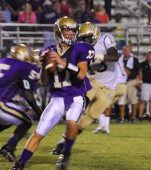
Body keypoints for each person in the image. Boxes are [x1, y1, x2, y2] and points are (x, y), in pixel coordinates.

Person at [11, 17, 94, 170]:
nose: (70, 33)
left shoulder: (82, 48)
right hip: (57, 97)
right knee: (39, 132)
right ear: (58, 32)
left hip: (76, 96)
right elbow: (43, 81)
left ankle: (65, 155)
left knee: (71, 123)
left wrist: (62, 62)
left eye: (72, 30)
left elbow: (82, 74)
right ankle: (20, 164)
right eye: (66, 30)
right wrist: (43, 65)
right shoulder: (47, 51)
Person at [51, 21, 119, 152]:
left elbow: (114, 56)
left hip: (109, 87)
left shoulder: (106, 38)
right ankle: (68, 128)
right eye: (81, 38)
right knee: (83, 101)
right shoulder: (80, 47)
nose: (84, 41)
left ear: (94, 34)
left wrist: (95, 55)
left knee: (88, 119)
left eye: (86, 38)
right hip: (93, 80)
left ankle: (64, 141)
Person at [118, 45, 141, 123]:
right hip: (122, 82)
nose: (126, 52)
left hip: (132, 81)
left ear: (130, 51)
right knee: (122, 101)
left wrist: (140, 81)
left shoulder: (134, 60)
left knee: (133, 100)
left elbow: (139, 71)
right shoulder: (119, 60)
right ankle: (122, 118)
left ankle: (133, 117)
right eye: (125, 50)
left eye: (127, 50)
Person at [138, 52, 151, 121]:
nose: (149, 57)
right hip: (145, 83)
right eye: (148, 56)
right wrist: (140, 81)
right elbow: (140, 73)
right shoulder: (142, 64)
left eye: (150, 56)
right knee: (143, 100)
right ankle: (140, 116)